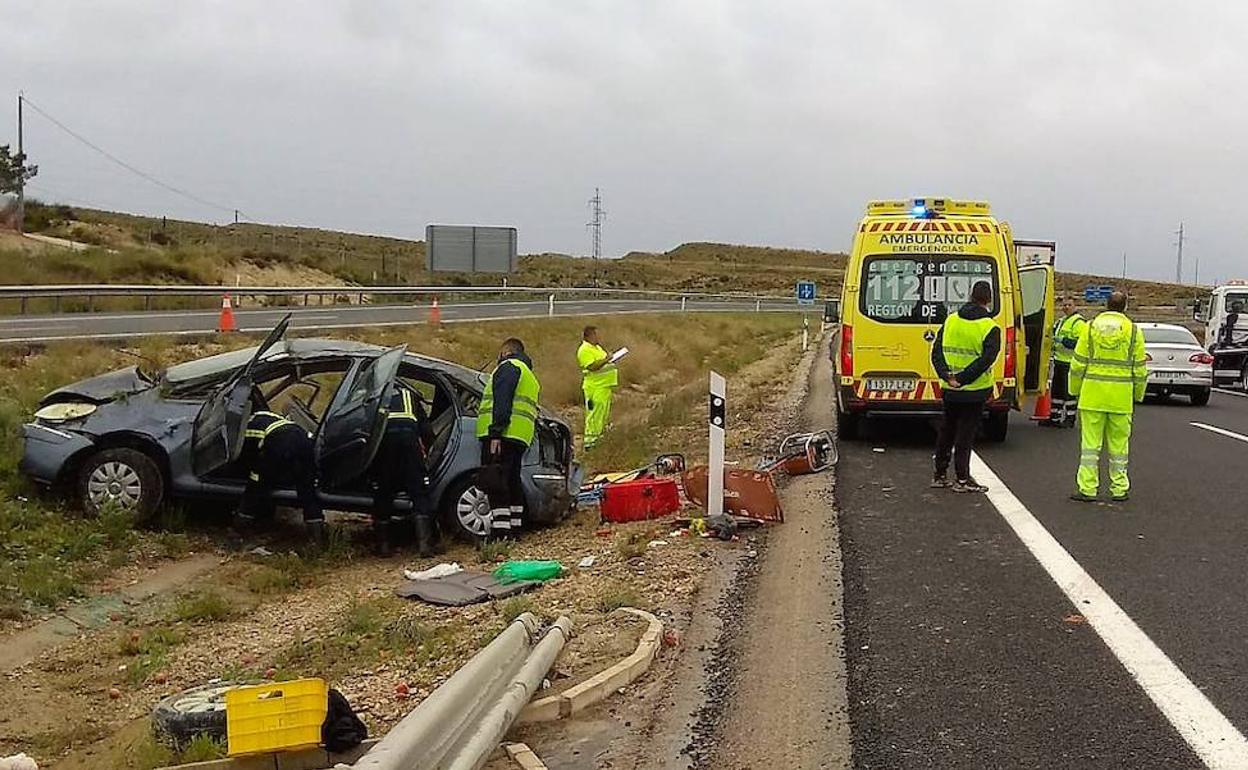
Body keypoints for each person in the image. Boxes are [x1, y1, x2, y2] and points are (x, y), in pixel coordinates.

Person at [1069, 291, 1147, 503]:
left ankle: (1087, 488)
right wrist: (1137, 395)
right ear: (1125, 306)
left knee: (1089, 446)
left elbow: (1077, 364)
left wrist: (1074, 390)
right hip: (1121, 399)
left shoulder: (1090, 327)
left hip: (1092, 395)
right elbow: (1140, 369)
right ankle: (1119, 488)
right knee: (1119, 446)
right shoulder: (1133, 331)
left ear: (1106, 305)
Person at [930, 280, 1001, 493]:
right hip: (974, 391)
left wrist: (947, 376)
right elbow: (985, 360)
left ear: (970, 296)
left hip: (949, 389)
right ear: (988, 300)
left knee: (946, 430)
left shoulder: (951, 320)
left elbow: (936, 352)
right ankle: (962, 479)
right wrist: (963, 379)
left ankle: (940, 474)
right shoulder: (990, 327)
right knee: (965, 435)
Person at [475, 337, 541, 535]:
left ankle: (501, 532)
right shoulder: (529, 376)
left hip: (503, 434)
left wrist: (496, 432)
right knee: (512, 480)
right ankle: (516, 526)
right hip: (520, 435)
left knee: (496, 481)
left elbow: (502, 401)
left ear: (506, 352)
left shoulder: (509, 367)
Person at [238, 398, 325, 543]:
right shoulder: (268, 415)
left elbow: (248, 456)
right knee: (307, 488)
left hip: (279, 442)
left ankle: (240, 529)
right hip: (304, 440)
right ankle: (317, 535)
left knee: (255, 484)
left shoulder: (248, 427)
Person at [373, 382, 437, 556]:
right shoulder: (410, 395)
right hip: (409, 442)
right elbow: (426, 431)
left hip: (385, 443)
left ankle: (383, 546)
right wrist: (426, 452)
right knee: (418, 492)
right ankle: (425, 545)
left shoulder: (376, 396)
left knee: (384, 491)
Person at [576, 326, 619, 449]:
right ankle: (590, 442)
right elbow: (592, 366)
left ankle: (599, 438)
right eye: (596, 335)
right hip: (595, 387)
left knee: (602, 415)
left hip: (604, 386)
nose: (598, 337)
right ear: (589, 336)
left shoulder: (597, 348)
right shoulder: (584, 350)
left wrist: (611, 359)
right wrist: (606, 359)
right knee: (594, 415)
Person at [1047, 298, 1087, 427]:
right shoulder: (1062, 321)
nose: (1066, 307)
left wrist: (1063, 340)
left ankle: (1070, 419)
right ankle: (1054, 417)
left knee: (1068, 393)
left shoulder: (1078, 322)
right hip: (1059, 361)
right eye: (1064, 305)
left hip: (1070, 363)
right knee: (1057, 392)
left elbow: (1079, 344)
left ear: (1075, 306)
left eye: (1069, 305)